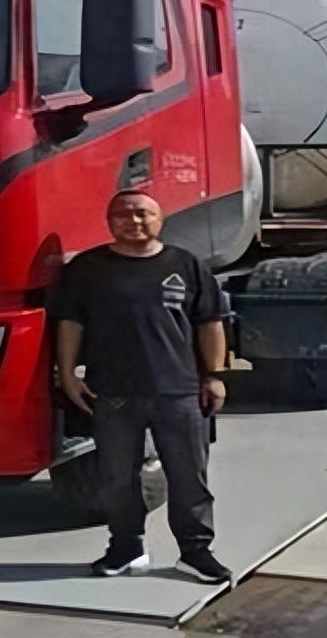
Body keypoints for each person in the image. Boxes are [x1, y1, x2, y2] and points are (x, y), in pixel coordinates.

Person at [51, 190, 233, 583]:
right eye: (123, 214)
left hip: (179, 390)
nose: (133, 221)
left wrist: (215, 376)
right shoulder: (87, 269)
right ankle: (126, 549)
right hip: (112, 392)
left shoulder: (187, 265)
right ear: (109, 221)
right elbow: (70, 323)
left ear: (160, 219)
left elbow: (210, 322)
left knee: (189, 476)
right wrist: (67, 374)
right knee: (117, 477)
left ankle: (196, 552)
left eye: (143, 214)